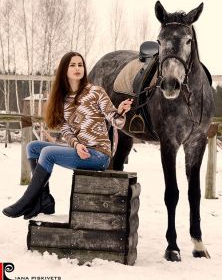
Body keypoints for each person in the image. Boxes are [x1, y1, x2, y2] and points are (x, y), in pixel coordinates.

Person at [2, 52, 133, 219]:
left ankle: (27, 200)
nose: (77, 68)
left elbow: (116, 122)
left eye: (80, 65)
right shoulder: (62, 99)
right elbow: (66, 130)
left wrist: (120, 112)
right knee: (33, 147)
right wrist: (77, 145)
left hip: (99, 155)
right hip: (81, 151)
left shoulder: (96, 92)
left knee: (48, 153)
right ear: (64, 69)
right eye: (72, 65)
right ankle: (44, 200)